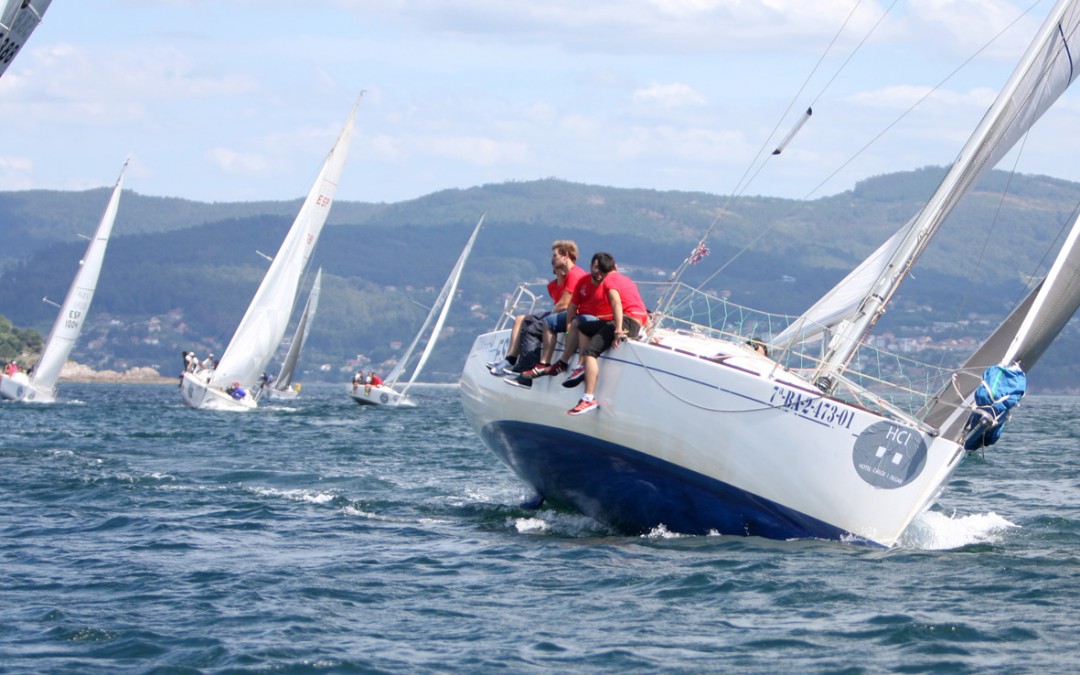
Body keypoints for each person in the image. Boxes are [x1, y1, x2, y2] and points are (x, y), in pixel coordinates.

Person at [558, 252, 647, 416]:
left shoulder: (609, 281)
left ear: (599, 269)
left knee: (590, 353)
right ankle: (581, 367)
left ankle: (587, 398)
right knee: (584, 327)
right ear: (615, 267)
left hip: (626, 321)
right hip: (638, 320)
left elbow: (616, 303)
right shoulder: (625, 280)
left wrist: (618, 329)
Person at [492, 240, 587, 387]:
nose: (552, 259)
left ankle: (527, 371)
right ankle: (515, 362)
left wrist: (549, 318)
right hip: (568, 312)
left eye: (555, 255)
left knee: (533, 329)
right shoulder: (564, 278)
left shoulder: (575, 274)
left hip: (574, 314)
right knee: (525, 321)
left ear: (566, 256)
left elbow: (564, 303)